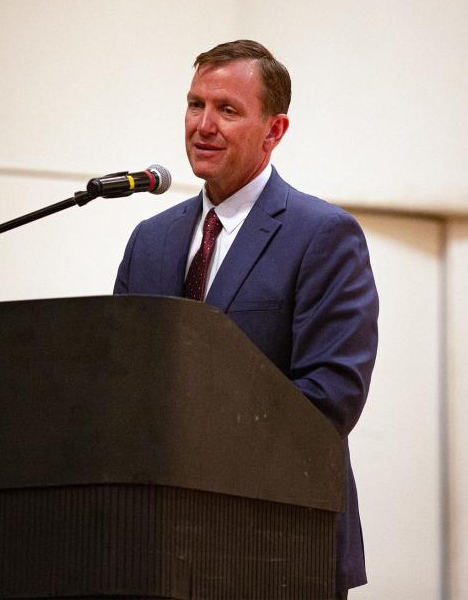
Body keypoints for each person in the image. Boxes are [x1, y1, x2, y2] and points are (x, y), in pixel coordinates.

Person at [113, 39, 378, 598]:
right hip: (156, 546)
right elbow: (119, 379)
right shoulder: (151, 240)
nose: (203, 125)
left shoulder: (322, 235)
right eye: (195, 105)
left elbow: (330, 397)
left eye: (227, 110)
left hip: (277, 543)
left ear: (274, 130)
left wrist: (194, 442)